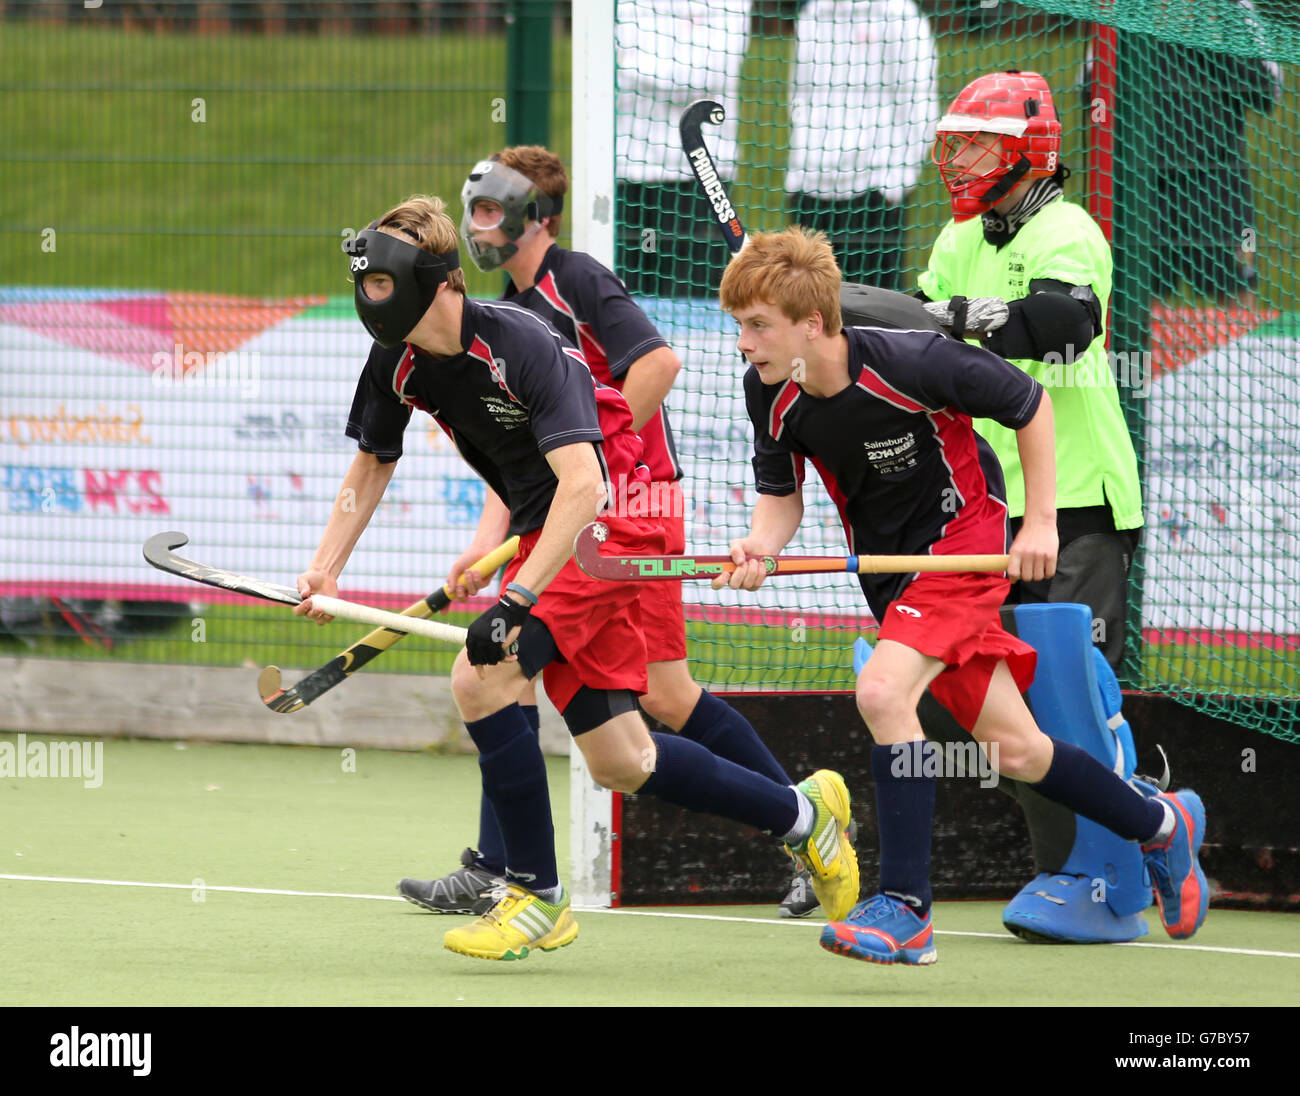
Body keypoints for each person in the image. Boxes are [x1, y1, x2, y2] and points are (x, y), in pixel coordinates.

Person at [298, 196, 858, 961]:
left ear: (440, 280)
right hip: (558, 526)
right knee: (624, 760)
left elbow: (587, 485)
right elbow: (373, 459)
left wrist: (520, 598)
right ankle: (805, 819)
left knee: (482, 674)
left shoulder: (524, 344)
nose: (373, 299)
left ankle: (533, 895)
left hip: (617, 515)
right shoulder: (395, 361)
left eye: (386, 283)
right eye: (366, 284)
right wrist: (326, 567)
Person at [715, 225, 1208, 965]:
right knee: (1017, 749)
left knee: (883, 693)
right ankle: (1162, 827)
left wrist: (1038, 522)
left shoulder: (914, 361)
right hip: (891, 578)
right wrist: (761, 547)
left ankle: (906, 909)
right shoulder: (770, 393)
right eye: (740, 326)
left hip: (961, 551)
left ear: (811, 326)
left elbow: (1032, 404)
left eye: (757, 326)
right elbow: (780, 501)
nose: (744, 343)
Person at [396, 147, 820, 919]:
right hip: (578, 502)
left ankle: (801, 826)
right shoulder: (499, 310)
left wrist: (598, 456)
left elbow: (658, 361)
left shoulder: (576, 276)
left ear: (538, 218)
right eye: (477, 212)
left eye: (494, 211)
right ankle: (503, 863)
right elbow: (525, 448)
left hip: (633, 499)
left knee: (650, 690)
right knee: (536, 669)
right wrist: (494, 531)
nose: (481, 226)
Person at [917, 70, 1156, 943]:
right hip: (992, 509)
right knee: (1002, 707)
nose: (960, 160)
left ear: (1025, 152)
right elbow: (922, 339)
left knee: (1072, 703)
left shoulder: (1067, 228)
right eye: (956, 143)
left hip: (1079, 503)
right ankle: (1091, 858)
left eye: (976, 143)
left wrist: (956, 319)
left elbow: (1062, 324)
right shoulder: (958, 238)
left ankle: (1109, 877)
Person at [1083, 1, 1283, 305]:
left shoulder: (1233, 9)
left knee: (1235, 290)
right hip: (1141, 182)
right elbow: (1091, 95)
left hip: (1217, 178)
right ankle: (1138, 355)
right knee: (1135, 296)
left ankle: (1241, 352)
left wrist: (1215, 42)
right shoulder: (1122, 6)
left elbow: (1268, 92)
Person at [785, 0, 938, 288]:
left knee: (873, 309)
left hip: (873, 193)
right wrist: (798, 173)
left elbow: (919, 103)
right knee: (807, 301)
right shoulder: (813, 13)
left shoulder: (899, 15)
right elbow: (800, 93)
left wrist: (896, 184)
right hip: (812, 187)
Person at [614, 0, 751, 297]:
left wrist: (634, 64)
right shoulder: (623, 5)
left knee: (694, 298)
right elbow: (607, 62)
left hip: (701, 175)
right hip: (632, 175)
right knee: (630, 299)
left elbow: (704, 73)